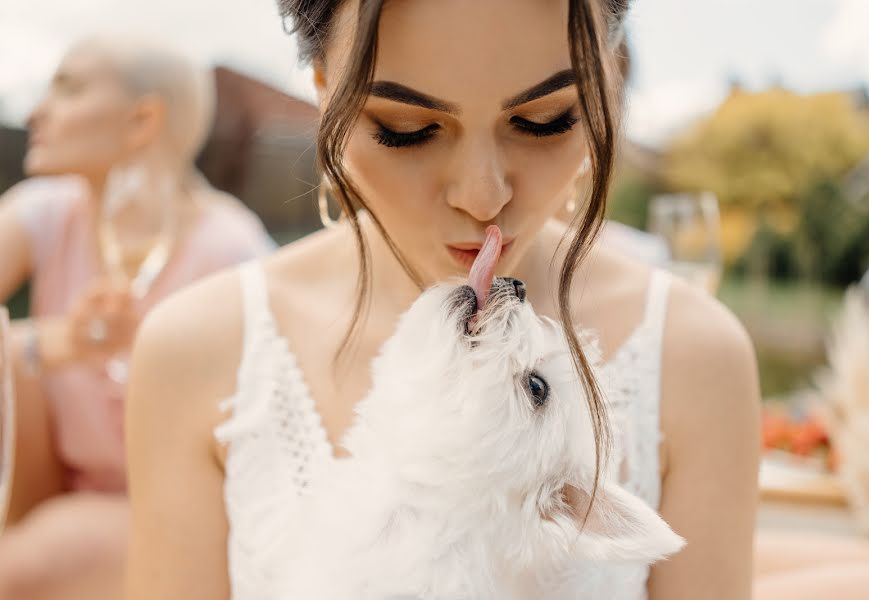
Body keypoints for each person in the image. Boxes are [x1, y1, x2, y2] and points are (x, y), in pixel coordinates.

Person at [125, 1, 762, 599]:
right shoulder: (198, 351)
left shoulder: (693, 358)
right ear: (324, 93)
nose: (483, 197)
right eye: (408, 129)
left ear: (603, 95)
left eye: (545, 121)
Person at [0, 35, 274, 599]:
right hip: (55, 492)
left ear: (142, 120)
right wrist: (55, 343)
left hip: (182, 513)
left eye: (68, 87)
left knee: (29, 566)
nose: (36, 111)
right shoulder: (47, 210)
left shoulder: (230, 252)